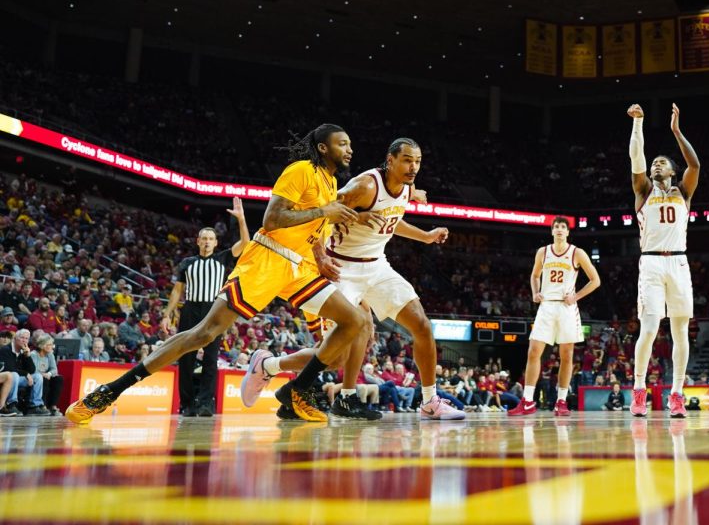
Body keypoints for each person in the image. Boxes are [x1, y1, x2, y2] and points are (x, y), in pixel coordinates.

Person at [65, 124, 371, 424]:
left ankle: (298, 388)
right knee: (204, 334)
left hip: (300, 268)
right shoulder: (301, 170)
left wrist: (320, 256)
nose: (350, 149)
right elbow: (273, 218)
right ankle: (109, 391)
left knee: (354, 322)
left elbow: (315, 231)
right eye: (342, 143)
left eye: (349, 144)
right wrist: (323, 212)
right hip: (268, 259)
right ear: (322, 148)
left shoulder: (330, 183)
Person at [241, 137, 460, 421]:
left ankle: (428, 402)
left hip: (376, 266)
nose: (413, 167)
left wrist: (426, 236)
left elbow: (390, 220)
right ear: (390, 160)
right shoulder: (364, 186)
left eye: (417, 161)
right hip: (339, 267)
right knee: (335, 356)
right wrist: (324, 253)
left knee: (421, 325)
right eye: (407, 160)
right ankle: (268, 365)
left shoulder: (406, 186)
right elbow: (321, 215)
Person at [627, 102, 700, 419]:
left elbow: (695, 165)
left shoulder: (684, 191)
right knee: (650, 328)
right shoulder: (643, 189)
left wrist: (676, 131)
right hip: (652, 264)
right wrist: (638, 124)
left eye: (662, 163)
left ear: (672, 171)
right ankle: (639, 390)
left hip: (679, 264)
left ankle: (677, 394)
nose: (656, 166)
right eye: (654, 163)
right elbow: (636, 160)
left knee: (681, 331)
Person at [161, 199, 249, 417]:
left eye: (211, 239)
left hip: (213, 310)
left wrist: (241, 219)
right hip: (190, 309)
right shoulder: (186, 263)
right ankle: (187, 403)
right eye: (204, 238)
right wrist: (167, 314)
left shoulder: (222, 257)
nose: (207, 242)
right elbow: (176, 291)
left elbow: (246, 244)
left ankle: (206, 403)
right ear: (198, 241)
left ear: (216, 242)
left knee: (210, 358)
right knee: (186, 357)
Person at [509, 217, 601, 418]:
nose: (559, 229)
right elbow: (534, 276)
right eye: (556, 227)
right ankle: (527, 401)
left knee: (566, 356)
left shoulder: (577, 253)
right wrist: (535, 292)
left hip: (566, 308)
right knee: (533, 351)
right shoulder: (543, 252)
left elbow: (596, 280)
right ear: (552, 231)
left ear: (567, 232)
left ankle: (561, 401)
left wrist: (576, 296)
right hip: (546, 306)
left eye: (563, 227)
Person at [3, 329, 51, 415]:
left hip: (19, 379)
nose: (24, 340)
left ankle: (34, 406)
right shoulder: (6, 349)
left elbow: (32, 370)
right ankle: (11, 404)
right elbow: (8, 368)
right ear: (15, 338)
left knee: (37, 376)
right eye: (22, 338)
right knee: (14, 375)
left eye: (26, 338)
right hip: (7, 379)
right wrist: (26, 374)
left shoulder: (23, 351)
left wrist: (28, 356)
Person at [30, 333, 62, 413]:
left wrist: (49, 374)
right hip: (36, 377)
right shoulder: (33, 354)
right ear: (42, 345)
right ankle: (43, 405)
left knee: (59, 379)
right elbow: (33, 370)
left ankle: (53, 405)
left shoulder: (50, 354)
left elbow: (54, 369)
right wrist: (44, 375)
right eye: (50, 345)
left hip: (46, 375)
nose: (52, 347)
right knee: (44, 379)